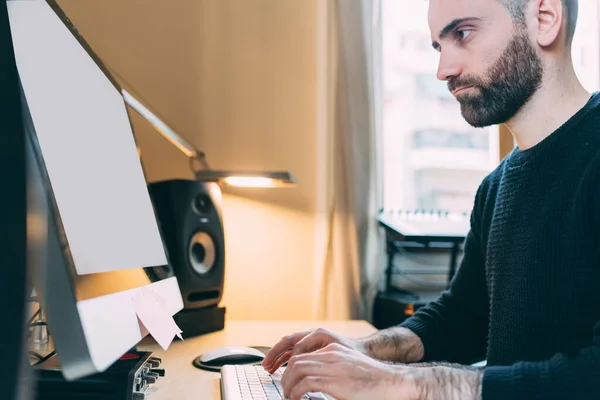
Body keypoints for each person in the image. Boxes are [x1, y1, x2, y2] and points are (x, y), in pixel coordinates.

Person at [262, 0, 600, 399]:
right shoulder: (494, 189)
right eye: (439, 47)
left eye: (463, 34)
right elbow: (464, 317)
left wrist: (394, 382)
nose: (444, 70)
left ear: (544, 19)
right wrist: (364, 349)